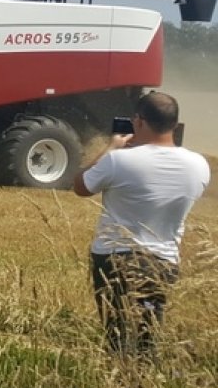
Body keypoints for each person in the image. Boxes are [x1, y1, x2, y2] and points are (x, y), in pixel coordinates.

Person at [73, 91, 210, 359]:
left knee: (117, 333)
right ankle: (144, 384)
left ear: (138, 121)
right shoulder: (199, 165)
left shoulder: (118, 160)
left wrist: (110, 148)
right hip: (164, 260)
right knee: (149, 334)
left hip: (115, 258)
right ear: (174, 123)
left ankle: (120, 383)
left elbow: (81, 186)